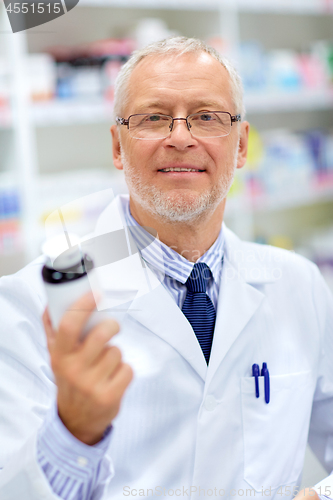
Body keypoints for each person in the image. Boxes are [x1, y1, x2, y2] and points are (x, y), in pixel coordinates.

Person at [0, 36, 332, 500]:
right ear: (118, 146)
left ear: (241, 147)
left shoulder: (300, 285)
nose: (180, 136)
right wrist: (73, 434)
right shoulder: (25, 306)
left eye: (207, 117)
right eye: (154, 117)